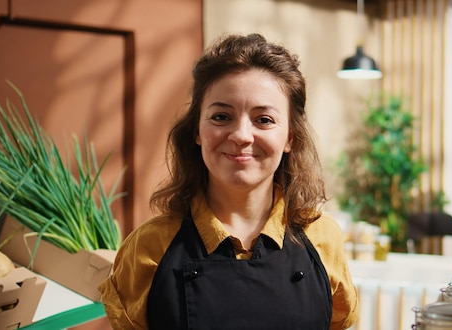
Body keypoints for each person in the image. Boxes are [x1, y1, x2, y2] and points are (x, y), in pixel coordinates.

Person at [98, 33, 360, 329]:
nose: (241, 136)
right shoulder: (148, 246)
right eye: (221, 116)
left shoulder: (324, 238)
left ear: (289, 137)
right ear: (197, 130)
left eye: (264, 120)